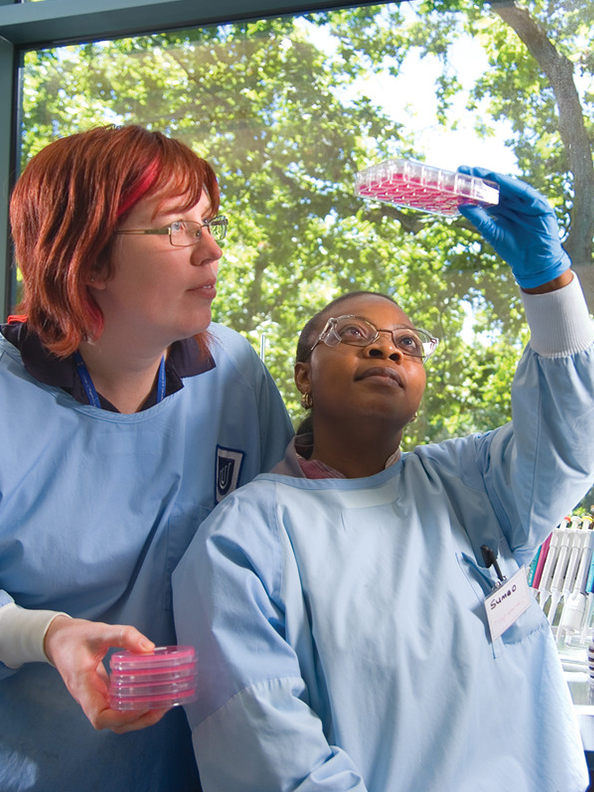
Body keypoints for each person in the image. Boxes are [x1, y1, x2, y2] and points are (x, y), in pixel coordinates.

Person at [172, 169, 594, 792]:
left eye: (407, 343)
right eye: (352, 336)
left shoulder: (469, 484)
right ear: (303, 376)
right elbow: (268, 753)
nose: (387, 351)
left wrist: (548, 282)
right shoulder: (244, 539)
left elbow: (569, 439)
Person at [0, 124, 293, 792]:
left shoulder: (233, 373)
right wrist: (48, 635)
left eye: (209, 224)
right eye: (177, 230)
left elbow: (286, 540)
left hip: (199, 771)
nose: (213, 251)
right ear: (88, 259)